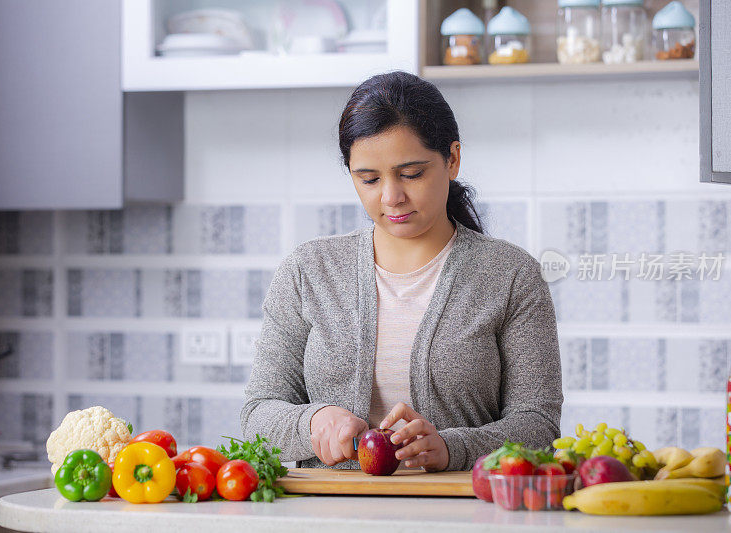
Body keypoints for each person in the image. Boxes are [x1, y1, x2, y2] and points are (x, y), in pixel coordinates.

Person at [241, 71, 562, 472]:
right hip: (329, 511)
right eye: (369, 179)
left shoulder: (511, 275)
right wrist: (313, 422)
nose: (391, 197)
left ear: (452, 159)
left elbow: (539, 425)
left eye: (411, 174)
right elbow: (258, 413)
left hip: (463, 512)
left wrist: (450, 447)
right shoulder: (308, 271)